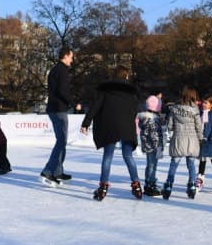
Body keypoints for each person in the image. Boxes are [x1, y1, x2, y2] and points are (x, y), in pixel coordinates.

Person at [81, 65, 142, 201]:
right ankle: (137, 185)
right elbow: (134, 110)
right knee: (128, 156)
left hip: (109, 126)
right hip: (127, 127)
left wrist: (86, 123)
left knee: (108, 155)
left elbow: (95, 106)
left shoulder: (106, 90)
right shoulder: (132, 92)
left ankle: (103, 187)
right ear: (126, 76)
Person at [40, 46, 77, 186]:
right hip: (58, 110)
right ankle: (49, 171)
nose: (72, 60)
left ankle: (57, 171)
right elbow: (63, 91)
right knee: (61, 141)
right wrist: (74, 103)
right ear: (65, 56)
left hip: (54, 109)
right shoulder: (62, 71)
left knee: (61, 141)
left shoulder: (55, 70)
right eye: (71, 57)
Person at [162, 86, 203, 200]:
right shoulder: (195, 111)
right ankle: (192, 185)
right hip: (192, 140)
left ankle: (169, 185)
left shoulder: (174, 109)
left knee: (174, 164)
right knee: (191, 165)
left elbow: (169, 126)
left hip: (178, 140)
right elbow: (199, 127)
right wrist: (200, 139)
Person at [137, 95, 165, 196]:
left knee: (150, 165)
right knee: (152, 165)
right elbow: (155, 135)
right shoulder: (152, 120)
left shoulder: (145, 118)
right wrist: (159, 147)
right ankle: (150, 184)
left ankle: (148, 183)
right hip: (153, 147)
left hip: (148, 146)